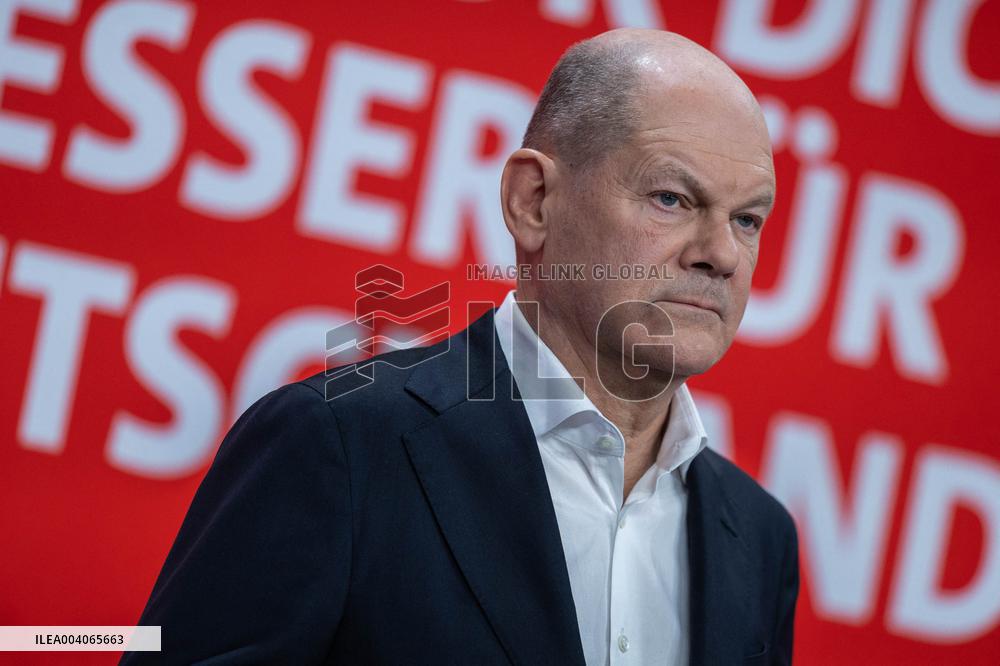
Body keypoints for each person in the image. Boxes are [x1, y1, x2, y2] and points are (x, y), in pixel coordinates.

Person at [122, 28, 798, 666]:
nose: (722, 255)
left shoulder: (761, 540)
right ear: (533, 201)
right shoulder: (337, 445)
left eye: (748, 219)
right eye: (672, 199)